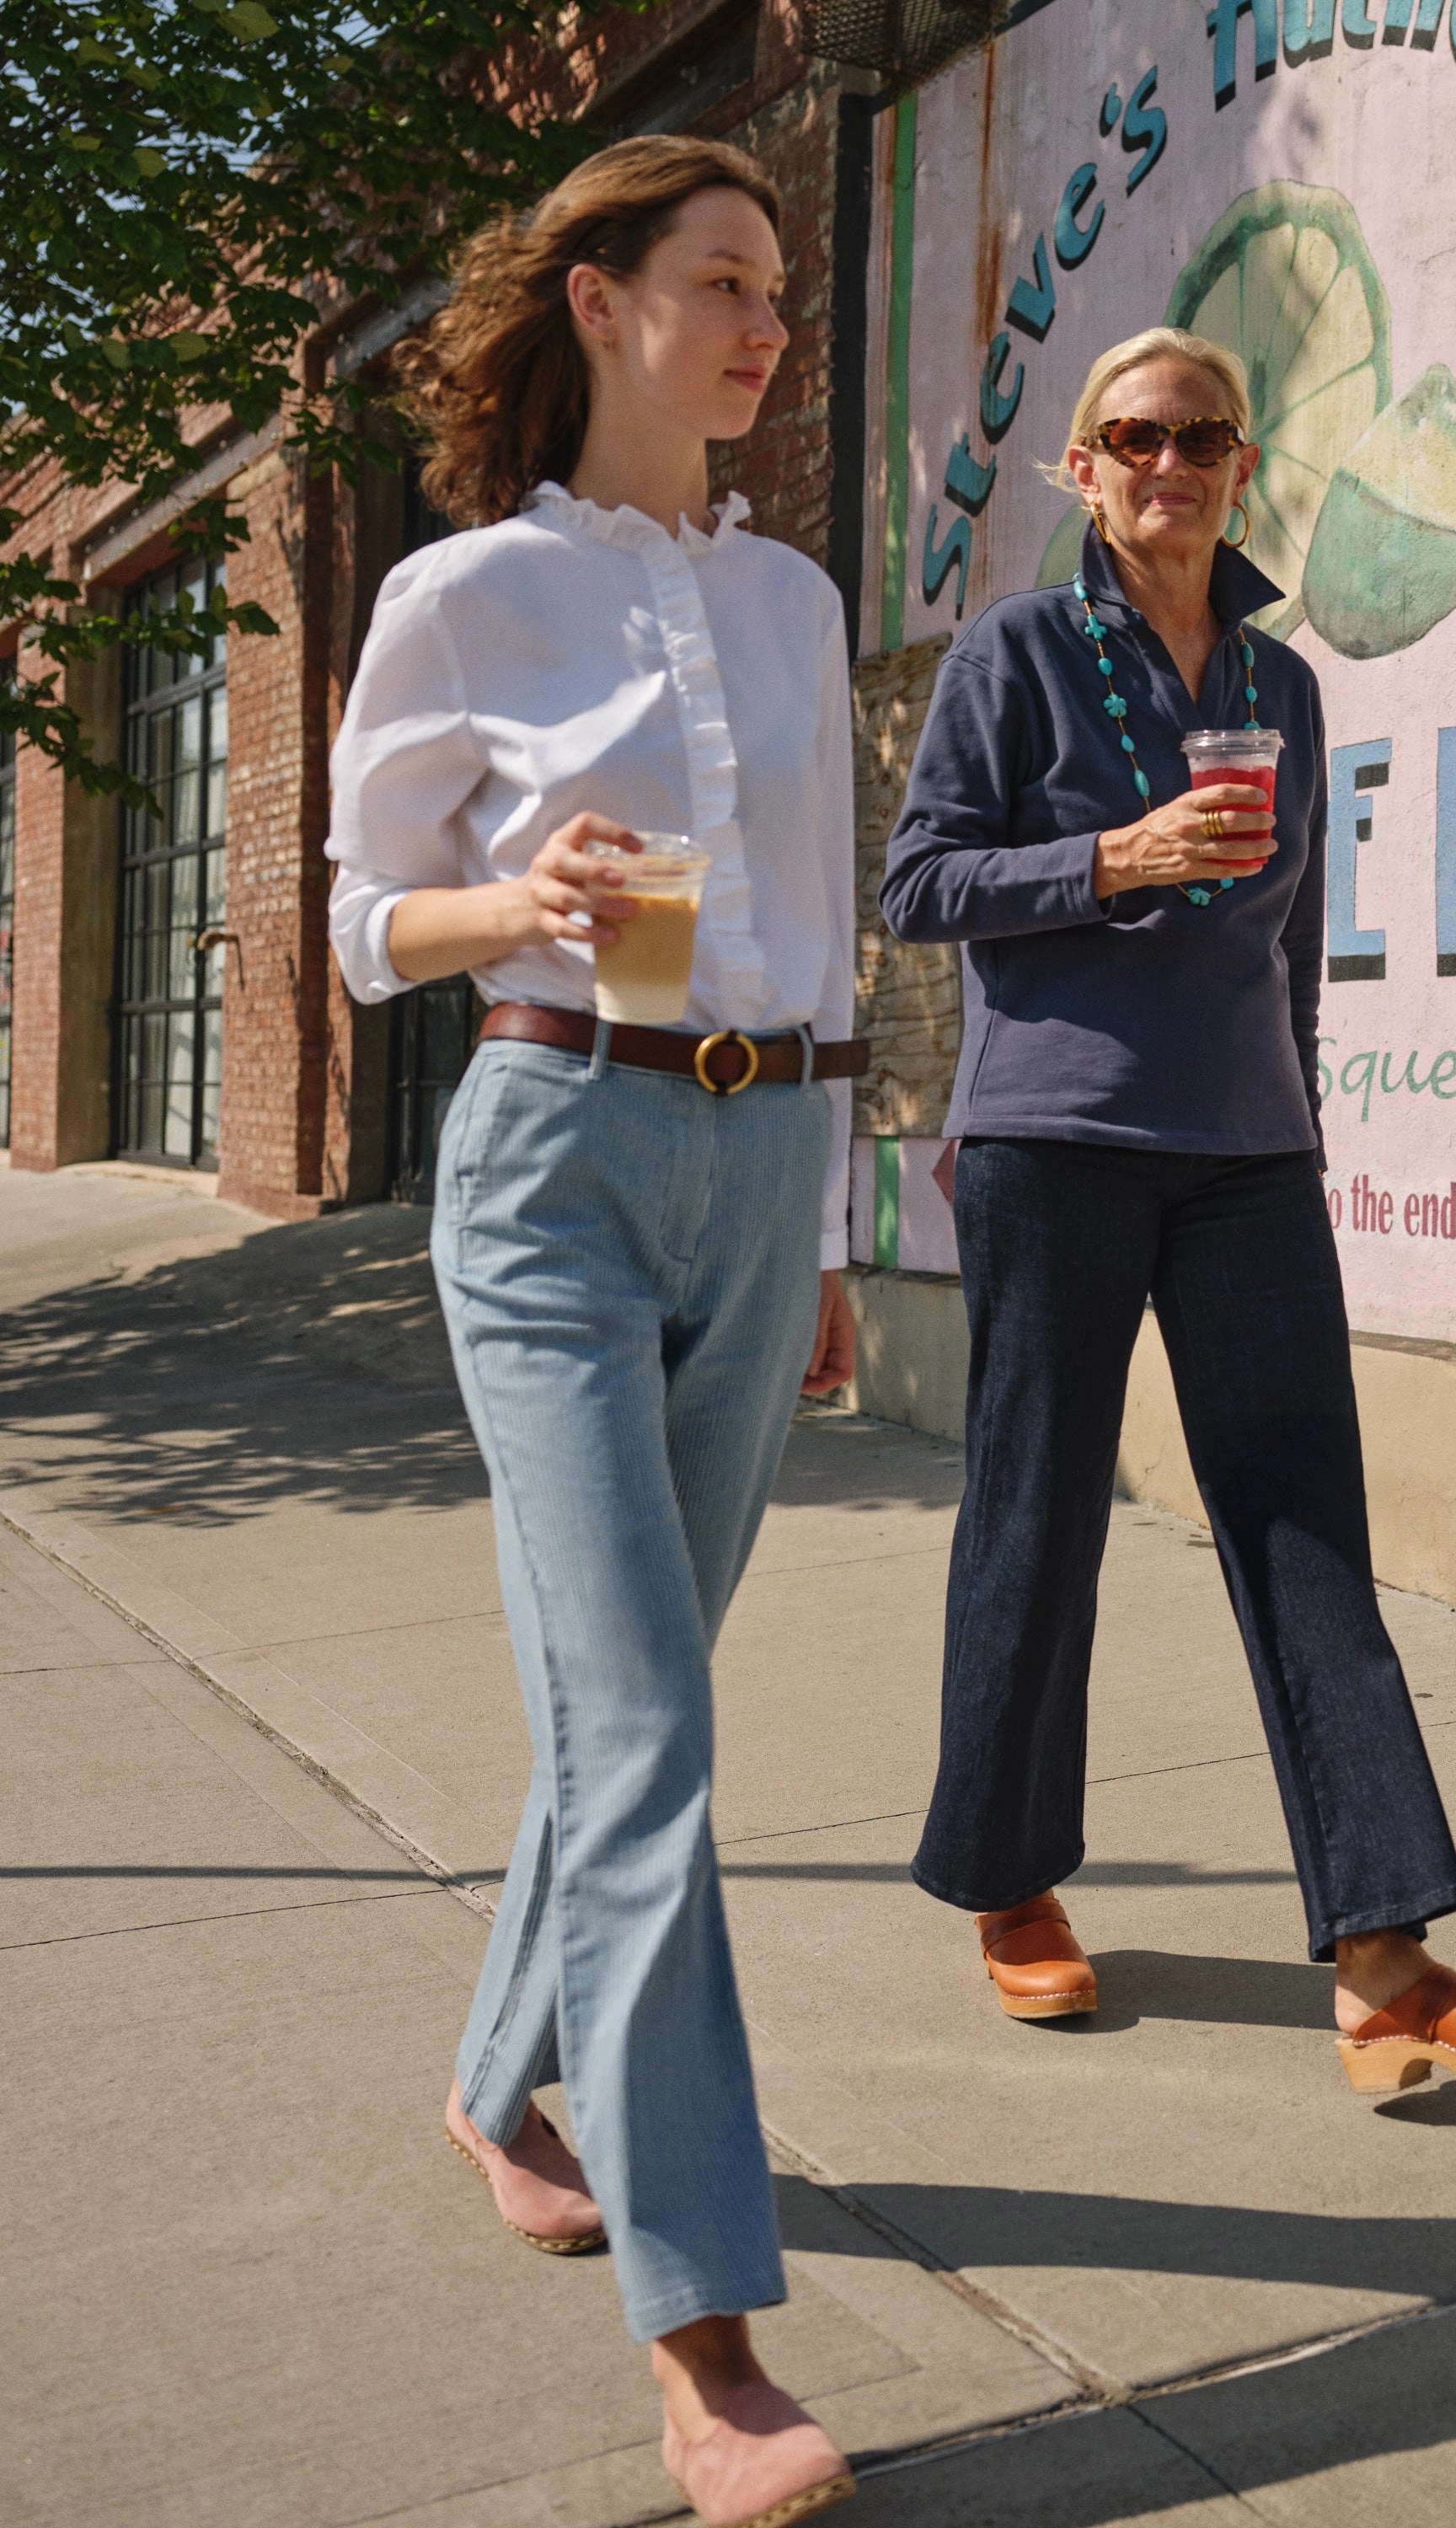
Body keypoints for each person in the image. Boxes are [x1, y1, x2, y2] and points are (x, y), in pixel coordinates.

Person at [326, 136, 861, 2528]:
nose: (762, 324)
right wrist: (510, 900)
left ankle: (492, 2082)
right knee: (644, 1737)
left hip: (759, 1164)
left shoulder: (795, 603)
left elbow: (820, 936)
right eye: (722, 279)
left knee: (630, 1703)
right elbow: (365, 921)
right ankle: (708, 2340)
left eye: (777, 289)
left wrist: (825, 1224)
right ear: (601, 298)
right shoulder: (468, 592)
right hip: (553, 1160)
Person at [881, 326, 1456, 2096]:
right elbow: (921, 883)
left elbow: (1298, 941)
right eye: (1135, 436)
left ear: (1241, 466)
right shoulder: (1017, 651)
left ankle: (1385, 1957)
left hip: (1249, 1159)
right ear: (1083, 466)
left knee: (1305, 1529)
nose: (1170, 465)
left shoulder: (1283, 683)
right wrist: (1112, 859)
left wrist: (1303, 1115)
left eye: (1202, 438)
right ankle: (1010, 1883)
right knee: (1038, 1516)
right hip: (1057, 1141)